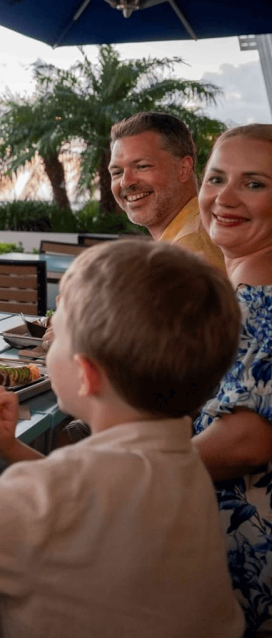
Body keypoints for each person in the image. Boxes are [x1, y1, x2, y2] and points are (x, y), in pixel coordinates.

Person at [0, 240, 244, 637]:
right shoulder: (183, 465)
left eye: (55, 338)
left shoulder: (67, 490)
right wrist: (10, 448)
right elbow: (92, 497)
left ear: (85, 375)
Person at [193, 123, 272, 632]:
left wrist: (126, 473)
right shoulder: (244, 284)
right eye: (217, 178)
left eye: (254, 183)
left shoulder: (261, 293)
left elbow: (247, 441)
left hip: (242, 561)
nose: (225, 197)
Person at [108, 111, 225, 270]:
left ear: (183, 169)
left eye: (142, 166)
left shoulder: (188, 251)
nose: (126, 182)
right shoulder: (199, 231)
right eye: (117, 172)